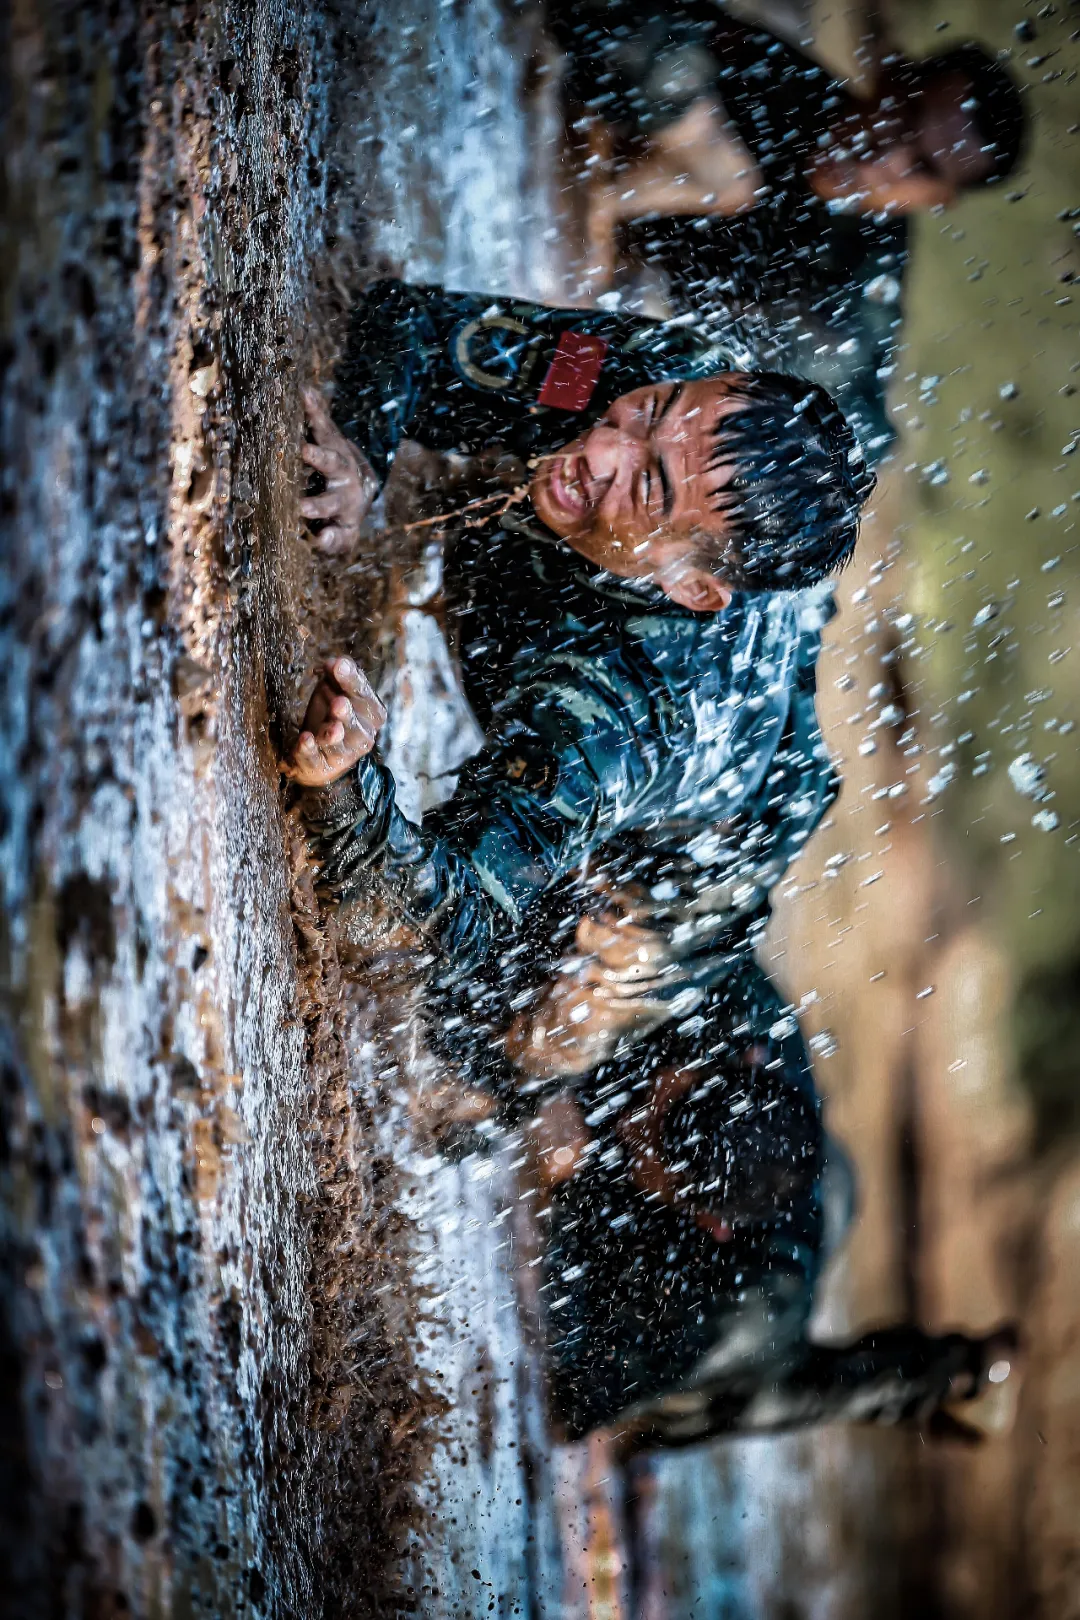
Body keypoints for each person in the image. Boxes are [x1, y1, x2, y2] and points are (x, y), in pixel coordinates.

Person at [282, 280, 869, 1035]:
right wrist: (362, 451)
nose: (599, 448)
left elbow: (430, 939)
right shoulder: (669, 383)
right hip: (753, 626)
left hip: (717, 845)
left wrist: (343, 782)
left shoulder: (620, 718)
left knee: (528, 1039)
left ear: (689, 586)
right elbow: (412, 322)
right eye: (647, 414)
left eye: (648, 487)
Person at [526, 956, 1021, 1449]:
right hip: (816, 1161)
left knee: (746, 1394)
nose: (632, 1124)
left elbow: (570, 1401)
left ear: (709, 1222)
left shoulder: (740, 1311)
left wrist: (564, 1192)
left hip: (772, 1288)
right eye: (665, 1102)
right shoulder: (746, 1012)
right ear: (741, 1063)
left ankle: (953, 1383)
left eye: (652, 1150)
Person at [545, 3, 1025, 457]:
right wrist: (687, 131)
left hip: (593, 317)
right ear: (891, 76)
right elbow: (613, 25)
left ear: (935, 201)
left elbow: (855, 440)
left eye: (920, 165)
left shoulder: (855, 286)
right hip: (552, 203)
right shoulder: (772, 78)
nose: (884, 155)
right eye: (903, 117)